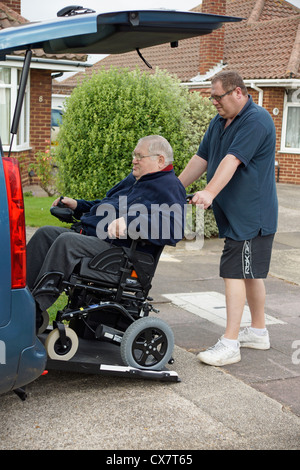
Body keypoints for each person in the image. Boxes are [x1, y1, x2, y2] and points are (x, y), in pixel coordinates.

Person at [27, 135, 186, 322]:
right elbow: (106, 204)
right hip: (96, 239)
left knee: (66, 242)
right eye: (134, 155)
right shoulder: (135, 179)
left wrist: (130, 222)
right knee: (45, 234)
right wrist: (78, 205)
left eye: (139, 156)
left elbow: (173, 228)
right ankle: (21, 296)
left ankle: (34, 309)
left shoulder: (170, 187)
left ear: (160, 160)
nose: (133, 160)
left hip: (123, 255)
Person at [179, 70, 278, 367]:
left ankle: (230, 343)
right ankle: (258, 332)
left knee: (234, 271)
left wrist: (209, 192)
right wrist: (172, 188)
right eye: (211, 97)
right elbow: (203, 158)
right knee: (251, 274)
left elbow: (231, 160)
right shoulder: (220, 122)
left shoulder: (256, 119)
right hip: (237, 215)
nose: (213, 102)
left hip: (251, 216)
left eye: (217, 97)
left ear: (238, 92)